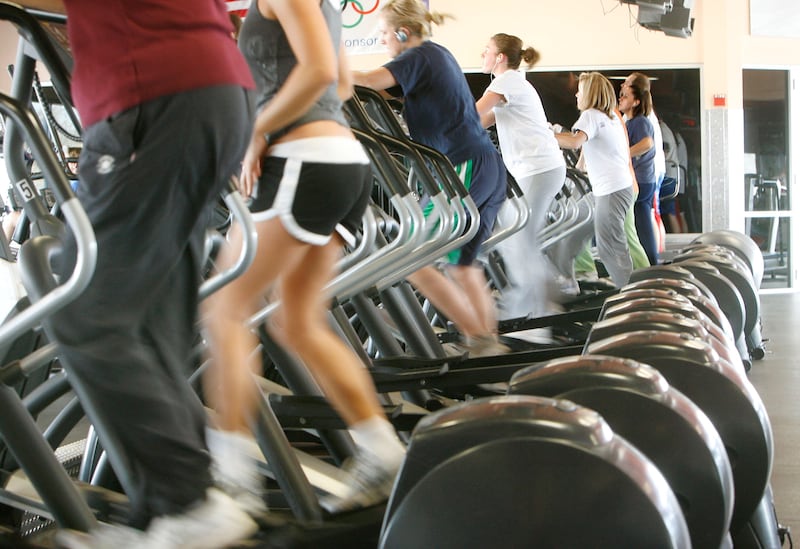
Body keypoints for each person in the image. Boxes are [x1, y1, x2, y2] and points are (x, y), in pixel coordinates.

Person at [19, 1, 259, 548]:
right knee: (151, 318)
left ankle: (188, 504)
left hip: (154, 92)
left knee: (84, 306)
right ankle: (173, 512)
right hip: (210, 89)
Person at [201, 0, 406, 515]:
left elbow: (317, 73)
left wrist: (257, 129)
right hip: (340, 163)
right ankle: (383, 454)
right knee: (296, 322)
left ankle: (232, 484)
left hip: (302, 159)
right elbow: (338, 82)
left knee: (225, 311)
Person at [352, 0, 509, 355]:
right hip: (481, 165)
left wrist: (314, 73)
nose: (382, 42)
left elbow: (365, 81)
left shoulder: (418, 56)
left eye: (382, 34)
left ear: (402, 32)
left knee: (410, 256)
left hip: (459, 167)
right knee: (463, 268)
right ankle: (487, 347)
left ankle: (477, 337)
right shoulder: (438, 55)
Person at [474, 33, 565, 336]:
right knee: (511, 232)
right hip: (540, 169)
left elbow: (473, 113)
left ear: (500, 57)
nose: (482, 55)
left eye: (486, 50)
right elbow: (480, 123)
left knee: (518, 238)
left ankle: (535, 319)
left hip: (539, 169)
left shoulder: (506, 81)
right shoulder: (512, 83)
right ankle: (541, 296)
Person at [555, 72, 634, 288]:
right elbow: (584, 158)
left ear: (590, 93)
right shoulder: (610, 116)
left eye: (580, 90)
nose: (577, 95)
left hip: (611, 190)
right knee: (587, 237)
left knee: (610, 247)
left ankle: (629, 292)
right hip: (619, 187)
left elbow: (574, 142)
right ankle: (569, 284)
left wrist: (543, 136)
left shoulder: (590, 115)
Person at [619, 72, 659, 265]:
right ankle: (648, 262)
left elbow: (647, 143)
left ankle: (650, 264)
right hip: (642, 179)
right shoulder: (631, 121)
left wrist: (623, 155)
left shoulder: (640, 121)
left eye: (627, 86)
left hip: (641, 180)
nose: (622, 87)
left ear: (636, 101)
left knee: (639, 225)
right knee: (638, 223)